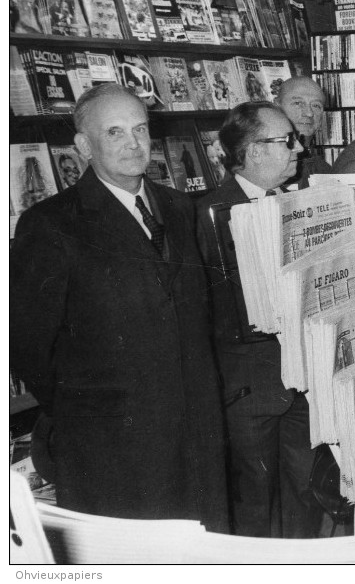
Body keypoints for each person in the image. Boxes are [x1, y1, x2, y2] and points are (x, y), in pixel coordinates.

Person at [10, 83, 228, 531]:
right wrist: (94, 406)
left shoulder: (177, 206)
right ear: (84, 146)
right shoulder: (51, 224)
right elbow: (30, 347)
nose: (133, 144)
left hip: (197, 430)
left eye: (140, 129)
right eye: (114, 133)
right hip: (112, 443)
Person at [196, 102, 321, 538]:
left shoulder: (302, 203)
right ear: (250, 152)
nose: (299, 149)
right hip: (247, 394)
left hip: (304, 385)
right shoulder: (208, 216)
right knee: (253, 508)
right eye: (286, 141)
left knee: (307, 497)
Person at [275, 76, 332, 189]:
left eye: (316, 105)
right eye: (298, 103)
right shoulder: (264, 164)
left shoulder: (323, 169)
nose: (309, 113)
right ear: (277, 106)